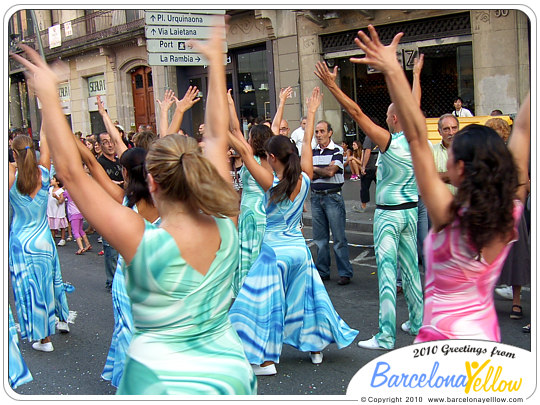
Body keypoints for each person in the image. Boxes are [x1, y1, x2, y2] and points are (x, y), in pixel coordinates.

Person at [13, 22, 256, 394]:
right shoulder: (225, 220)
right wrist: (214, 62)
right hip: (227, 374)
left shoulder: (141, 240)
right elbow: (218, 134)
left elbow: (73, 176)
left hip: (160, 380)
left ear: (152, 182)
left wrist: (49, 96)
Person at [353, 24, 530, 342]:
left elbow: (417, 136)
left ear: (460, 169)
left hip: (442, 341)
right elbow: (525, 129)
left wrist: (393, 71)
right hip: (484, 337)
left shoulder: (448, 217)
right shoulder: (508, 213)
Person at [228, 87, 359, 376]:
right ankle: (315, 349)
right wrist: (311, 114)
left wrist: (219, 124)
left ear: (272, 156)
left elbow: (240, 147)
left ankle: (264, 361)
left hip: (272, 251)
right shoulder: (305, 177)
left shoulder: (269, 180)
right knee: (307, 297)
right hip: (299, 249)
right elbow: (308, 143)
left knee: (260, 303)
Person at [315, 54, 423, 349]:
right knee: (411, 270)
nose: (386, 118)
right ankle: (417, 322)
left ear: (394, 118)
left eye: (389, 115)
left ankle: (386, 336)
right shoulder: (416, 140)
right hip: (410, 212)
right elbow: (412, 105)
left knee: (387, 273)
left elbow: (356, 112)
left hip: (389, 215)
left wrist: (332, 87)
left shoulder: (391, 141)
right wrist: (415, 76)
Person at [8, 128, 70, 353]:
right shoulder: (43, 173)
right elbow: (45, 140)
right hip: (43, 239)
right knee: (49, 283)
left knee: (29, 289)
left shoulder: (10, 176)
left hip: (21, 242)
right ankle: (60, 319)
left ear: (13, 153)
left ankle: (43, 338)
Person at [227, 90, 274, 295]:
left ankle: (249, 290)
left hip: (250, 212)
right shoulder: (273, 159)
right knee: (259, 253)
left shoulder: (250, 157)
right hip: (263, 211)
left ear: (253, 139)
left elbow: (234, 129)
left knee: (249, 255)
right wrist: (229, 102)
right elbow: (237, 129)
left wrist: (228, 104)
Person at [310, 120, 354, 285]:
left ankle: (345, 272)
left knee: (338, 237)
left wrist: (314, 169)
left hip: (332, 197)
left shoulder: (337, 150)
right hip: (316, 196)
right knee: (319, 239)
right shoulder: (312, 151)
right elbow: (307, 172)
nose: (319, 135)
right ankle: (323, 272)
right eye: (317, 132)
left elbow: (330, 172)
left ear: (330, 133)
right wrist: (316, 170)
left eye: (322, 131)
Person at [433, 113, 459, 194]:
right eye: (446, 129)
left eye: (454, 128)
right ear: (439, 132)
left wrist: (442, 176)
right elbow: (428, 177)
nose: (451, 133)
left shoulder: (468, 149)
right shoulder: (432, 151)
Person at [353, 135, 378, 213]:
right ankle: (382, 204)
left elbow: (367, 151)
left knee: (364, 187)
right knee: (380, 186)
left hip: (369, 165)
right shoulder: (379, 136)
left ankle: (363, 206)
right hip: (377, 165)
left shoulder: (368, 137)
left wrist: (363, 166)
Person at [47, 174, 68, 245]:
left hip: (58, 211)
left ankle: (62, 239)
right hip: (51, 210)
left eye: (53, 179)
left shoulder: (61, 191)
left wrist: (56, 197)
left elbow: (61, 201)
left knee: (61, 225)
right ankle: (53, 238)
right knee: (52, 225)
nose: (51, 180)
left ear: (57, 182)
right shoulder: (50, 189)